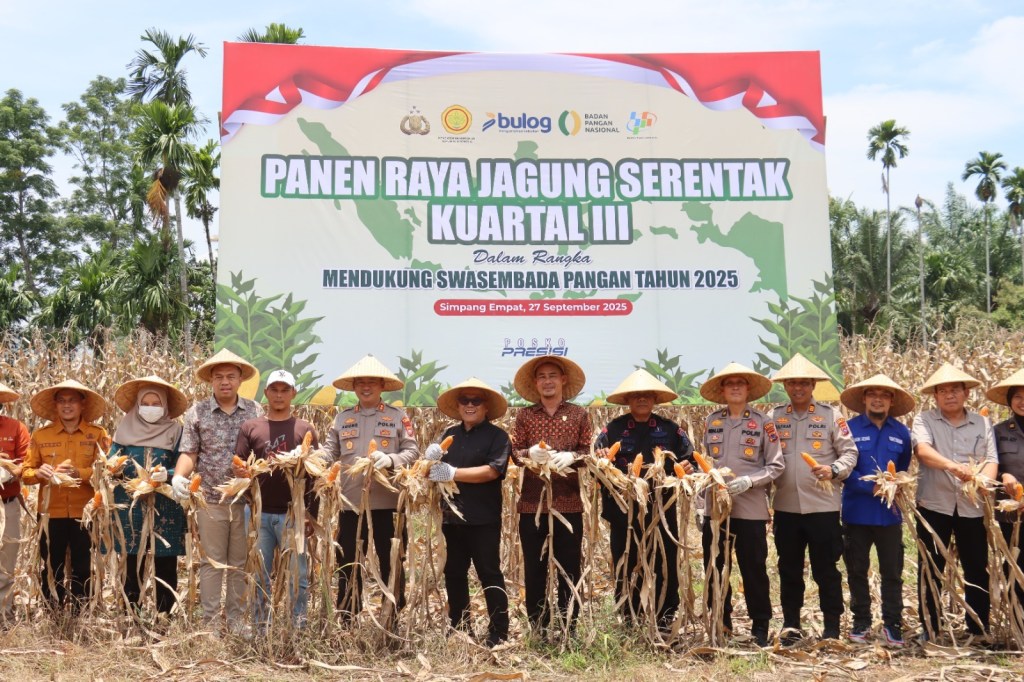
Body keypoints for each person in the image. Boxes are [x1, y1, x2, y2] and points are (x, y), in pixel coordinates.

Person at [594, 368, 694, 628]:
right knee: (626, 557)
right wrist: (602, 458)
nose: (641, 400)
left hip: (661, 507)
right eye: (636, 395)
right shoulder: (613, 429)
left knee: (664, 559)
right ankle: (629, 612)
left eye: (647, 395)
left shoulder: (670, 429)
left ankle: (665, 612)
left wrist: (687, 466)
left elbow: (688, 456)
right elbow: (597, 458)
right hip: (622, 508)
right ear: (628, 400)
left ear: (654, 399)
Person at [171, 348, 262, 629]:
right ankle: (210, 623)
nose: (225, 382)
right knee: (211, 562)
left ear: (239, 380)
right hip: (210, 499)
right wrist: (178, 476)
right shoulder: (197, 412)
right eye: (219, 377)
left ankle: (235, 621)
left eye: (231, 377)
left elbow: (262, 452)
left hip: (245, 500)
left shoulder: (254, 410)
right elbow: (190, 452)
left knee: (239, 562)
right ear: (211, 380)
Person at [770, 354, 857, 643]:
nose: (798, 388)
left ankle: (832, 626)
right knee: (789, 569)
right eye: (793, 383)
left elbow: (850, 453)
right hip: (785, 507)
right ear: (785, 386)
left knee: (826, 570)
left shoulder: (832, 416)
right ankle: (792, 625)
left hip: (823, 508)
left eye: (804, 383)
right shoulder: (774, 417)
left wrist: (833, 470)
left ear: (813, 385)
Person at [324, 355, 419, 618]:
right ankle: (347, 616)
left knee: (392, 563)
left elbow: (413, 452)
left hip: (388, 504)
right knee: (349, 563)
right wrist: (304, 458)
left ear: (381, 386)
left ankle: (393, 617)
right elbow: (329, 452)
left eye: (372, 383)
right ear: (354, 387)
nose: (366, 387)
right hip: (350, 504)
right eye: (361, 382)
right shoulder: (342, 419)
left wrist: (391, 459)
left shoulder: (398, 417)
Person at [698, 362, 784, 647]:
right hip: (716, 510)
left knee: (753, 568)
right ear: (722, 390)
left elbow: (776, 466)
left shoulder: (763, 423)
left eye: (740, 383)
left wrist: (750, 480)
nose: (735, 387)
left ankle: (760, 625)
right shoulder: (712, 421)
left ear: (748, 389)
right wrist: (701, 505)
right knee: (715, 567)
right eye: (729, 383)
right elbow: (705, 464)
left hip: (750, 508)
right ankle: (721, 621)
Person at [912, 362, 997, 640]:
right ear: (935, 396)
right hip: (934, 504)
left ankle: (978, 628)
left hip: (971, 507)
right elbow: (923, 452)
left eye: (955, 390)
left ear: (966, 394)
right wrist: (954, 466)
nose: (949, 395)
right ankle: (931, 628)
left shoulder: (983, 423)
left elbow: (991, 459)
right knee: (931, 567)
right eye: (943, 391)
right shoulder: (924, 420)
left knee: (976, 568)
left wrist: (982, 481)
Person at [426, 377, 510, 647]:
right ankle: (460, 628)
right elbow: (430, 471)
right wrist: (430, 459)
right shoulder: (449, 434)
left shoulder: (498, 437)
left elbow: (492, 471)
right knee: (454, 572)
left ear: (486, 407)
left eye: (476, 401)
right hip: (452, 517)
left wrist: (453, 473)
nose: (470, 405)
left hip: (483, 517)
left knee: (489, 573)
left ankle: (499, 632)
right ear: (459, 406)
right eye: (465, 400)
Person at [510, 356, 592, 634]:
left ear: (563, 380)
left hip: (568, 503)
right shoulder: (524, 416)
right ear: (536, 383)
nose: (547, 381)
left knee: (569, 568)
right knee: (535, 568)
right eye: (542, 376)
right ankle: (538, 625)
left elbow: (587, 453)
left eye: (552, 376)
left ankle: (569, 624)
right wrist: (528, 454)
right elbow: (515, 453)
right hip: (532, 503)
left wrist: (573, 457)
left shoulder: (580, 415)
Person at [234, 369, 319, 629]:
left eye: (285, 390)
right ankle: (262, 629)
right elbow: (239, 465)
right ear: (266, 393)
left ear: (293, 393)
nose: (279, 395)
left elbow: (315, 476)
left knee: (298, 576)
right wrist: (239, 471)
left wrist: (311, 515)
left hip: (294, 514)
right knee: (260, 574)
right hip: (258, 515)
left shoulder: (305, 429)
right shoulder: (251, 427)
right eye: (274, 390)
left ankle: (298, 628)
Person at [840, 374, 915, 647]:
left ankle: (892, 623)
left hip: (890, 514)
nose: (878, 399)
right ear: (864, 398)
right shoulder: (848, 428)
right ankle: (861, 620)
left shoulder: (901, 432)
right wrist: (868, 488)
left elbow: (904, 465)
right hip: (856, 512)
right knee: (857, 570)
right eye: (873, 393)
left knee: (892, 572)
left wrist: (895, 484)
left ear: (891, 400)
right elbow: (843, 468)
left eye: (884, 394)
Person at [22, 379, 109, 612]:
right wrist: (40, 473)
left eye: (72, 401)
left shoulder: (97, 434)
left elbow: (108, 472)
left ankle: (83, 613)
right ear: (55, 405)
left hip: (87, 511)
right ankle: (53, 613)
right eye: (62, 401)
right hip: (51, 511)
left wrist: (80, 473)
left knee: (83, 564)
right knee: (52, 565)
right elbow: (26, 473)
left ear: (82, 404)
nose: (67, 406)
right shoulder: (41, 435)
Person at [109, 375, 188, 615]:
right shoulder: (124, 428)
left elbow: (185, 462)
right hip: (130, 502)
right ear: (137, 404)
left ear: (165, 407)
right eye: (146, 403)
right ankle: (132, 611)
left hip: (166, 502)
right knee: (133, 557)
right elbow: (111, 463)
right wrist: (116, 471)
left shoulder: (176, 431)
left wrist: (170, 473)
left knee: (166, 559)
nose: (151, 408)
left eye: (157, 404)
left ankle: (165, 613)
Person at [985, 368, 1024, 610]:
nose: (1023, 401)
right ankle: (1018, 627)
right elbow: (987, 465)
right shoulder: (998, 432)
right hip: (1010, 514)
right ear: (1010, 401)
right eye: (1018, 396)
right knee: (1015, 567)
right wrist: (1003, 475)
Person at [0, 382, 30, 623]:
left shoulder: (16, 427)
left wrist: (9, 471)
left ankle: (4, 615)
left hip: (7, 503)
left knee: (6, 561)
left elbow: (26, 463)